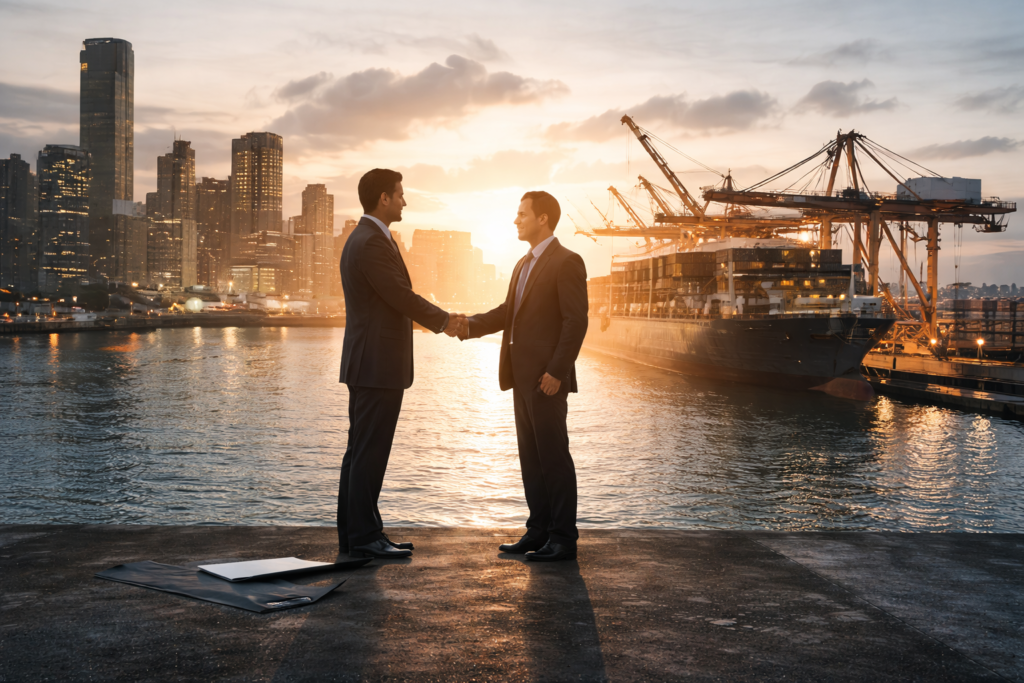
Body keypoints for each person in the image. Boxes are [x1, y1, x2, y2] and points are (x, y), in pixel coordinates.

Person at [338, 168, 466, 559]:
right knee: (369, 453)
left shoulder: (368, 238)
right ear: (383, 198)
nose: (405, 201)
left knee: (361, 452)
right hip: (376, 364)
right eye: (400, 194)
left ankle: (361, 533)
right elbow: (398, 294)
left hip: (369, 362)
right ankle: (363, 538)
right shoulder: (372, 242)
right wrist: (445, 321)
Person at [459, 191, 588, 561]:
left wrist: (556, 372)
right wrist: (467, 325)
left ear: (543, 218)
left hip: (547, 381)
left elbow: (575, 321)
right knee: (531, 458)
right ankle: (538, 531)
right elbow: (507, 313)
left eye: (522, 214)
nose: (516, 220)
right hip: (521, 378)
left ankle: (563, 538)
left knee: (554, 458)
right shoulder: (521, 264)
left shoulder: (567, 261)